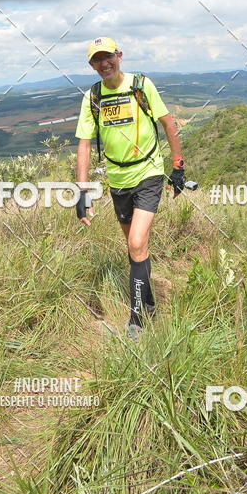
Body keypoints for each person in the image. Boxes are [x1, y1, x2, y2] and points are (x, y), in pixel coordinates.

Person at [74, 36, 185, 342]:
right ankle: (149, 304)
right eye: (97, 59)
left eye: (108, 56)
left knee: (136, 242)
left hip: (148, 172)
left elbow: (168, 123)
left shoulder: (141, 85)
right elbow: (84, 143)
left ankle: (137, 321)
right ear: (91, 65)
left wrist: (177, 166)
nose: (104, 63)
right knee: (135, 247)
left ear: (119, 55)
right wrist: (82, 190)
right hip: (118, 179)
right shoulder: (93, 97)